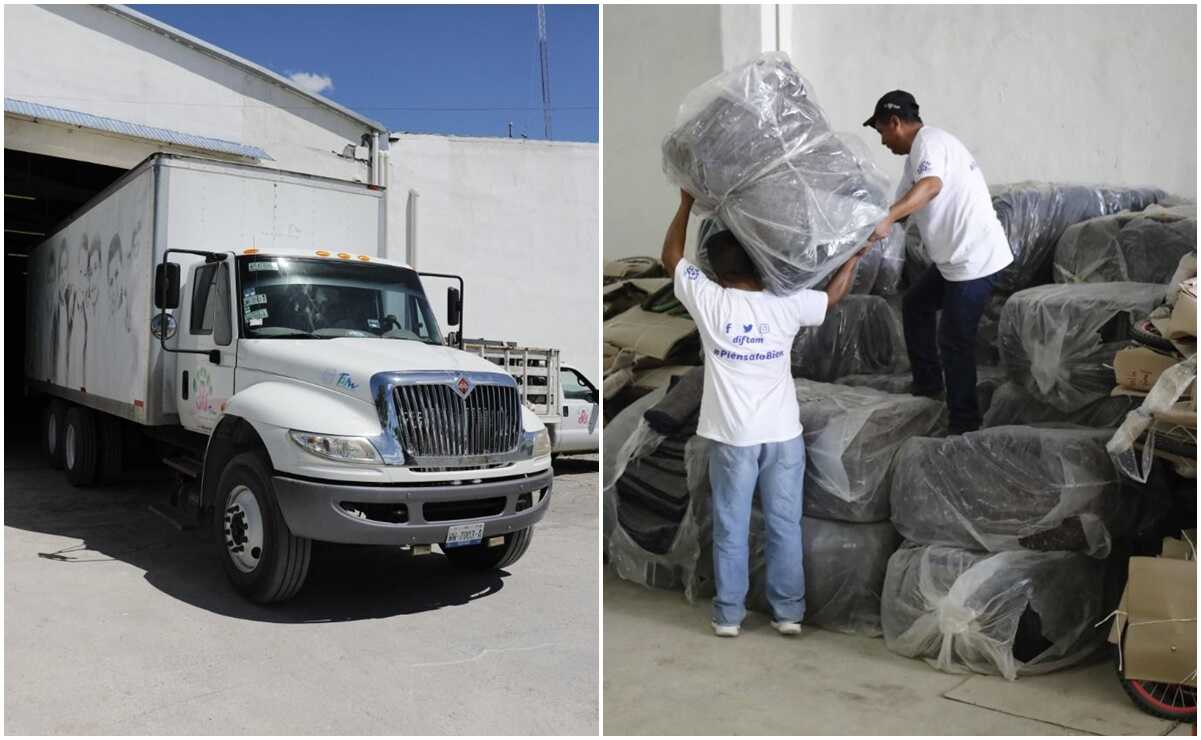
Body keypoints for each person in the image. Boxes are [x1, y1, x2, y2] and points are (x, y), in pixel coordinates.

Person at [661, 189, 863, 638]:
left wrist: (686, 205)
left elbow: (670, 256)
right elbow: (832, 298)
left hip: (734, 439)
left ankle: (729, 616)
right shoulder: (785, 304)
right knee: (783, 526)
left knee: (731, 529)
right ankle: (788, 613)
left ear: (717, 269)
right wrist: (855, 257)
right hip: (783, 437)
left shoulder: (710, 302)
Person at [863, 90, 1014, 433]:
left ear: (895, 123)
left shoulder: (929, 142)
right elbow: (901, 207)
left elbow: (931, 186)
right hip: (953, 262)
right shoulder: (915, 156)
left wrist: (887, 217)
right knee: (916, 304)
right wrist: (865, 234)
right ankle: (928, 386)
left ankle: (963, 423)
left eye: (882, 132)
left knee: (954, 340)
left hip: (974, 260)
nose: (883, 141)